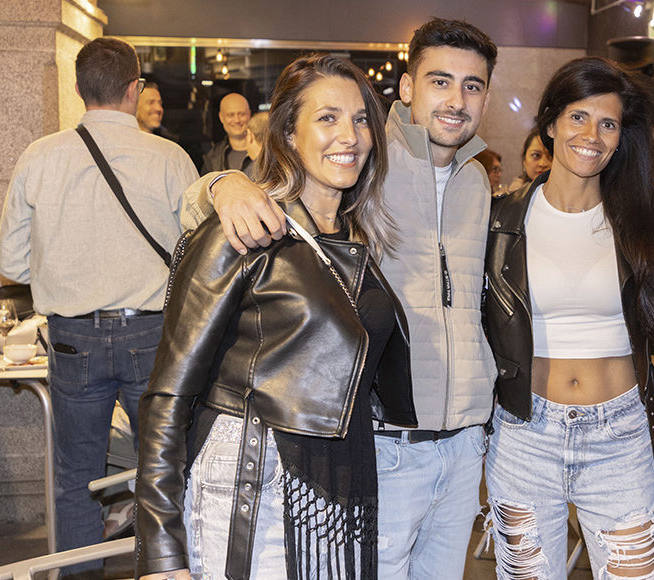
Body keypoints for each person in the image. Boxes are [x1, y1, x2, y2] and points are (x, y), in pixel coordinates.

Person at [180, 18, 498, 579]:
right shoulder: (366, 163)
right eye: (440, 81)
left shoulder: (476, 181)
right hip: (382, 441)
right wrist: (222, 183)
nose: (456, 100)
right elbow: (226, 206)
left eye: (472, 85)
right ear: (407, 87)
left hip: (464, 445)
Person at [134, 54, 415, 580]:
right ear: (289, 133)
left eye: (360, 119)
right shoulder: (242, 231)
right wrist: (160, 551)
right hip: (249, 484)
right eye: (327, 118)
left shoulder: (355, 239)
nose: (349, 136)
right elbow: (168, 395)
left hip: (332, 492)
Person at [0, 37, 197, 579]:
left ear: (80, 89)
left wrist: (65, 267)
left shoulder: (40, 156)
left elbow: (9, 262)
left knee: (76, 478)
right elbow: (197, 256)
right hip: (151, 336)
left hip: (71, 340)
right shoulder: (170, 159)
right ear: (135, 88)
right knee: (164, 471)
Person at [483, 56, 654, 579]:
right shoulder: (499, 219)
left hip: (619, 436)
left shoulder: (643, 217)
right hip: (525, 434)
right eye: (578, 117)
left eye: (608, 123)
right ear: (550, 124)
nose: (592, 135)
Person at [202, 92, 253, 173]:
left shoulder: (266, 152)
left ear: (249, 114)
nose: (237, 120)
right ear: (221, 117)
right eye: (230, 115)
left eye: (241, 114)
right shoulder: (212, 158)